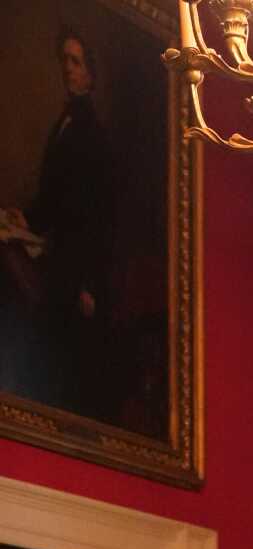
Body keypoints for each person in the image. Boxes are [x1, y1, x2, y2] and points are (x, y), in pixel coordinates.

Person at [0, 29, 115, 418]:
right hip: (60, 254)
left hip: (77, 265)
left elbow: (97, 217)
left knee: (64, 356)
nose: (68, 69)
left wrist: (88, 283)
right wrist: (26, 218)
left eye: (76, 62)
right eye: (64, 60)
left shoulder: (92, 134)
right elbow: (53, 195)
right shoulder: (63, 123)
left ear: (90, 73)